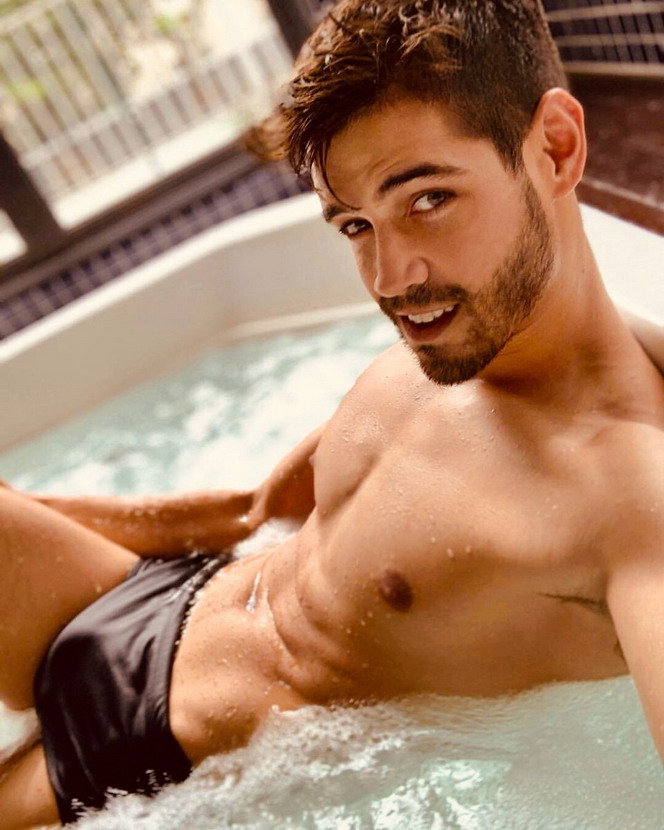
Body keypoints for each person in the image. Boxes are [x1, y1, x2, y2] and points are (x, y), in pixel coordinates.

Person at [1, 1, 664, 826]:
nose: (389, 277)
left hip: (152, 756)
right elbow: (248, 514)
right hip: (157, 594)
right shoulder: (453, 345)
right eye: (354, 224)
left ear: (556, 148)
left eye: (427, 198)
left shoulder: (630, 501)